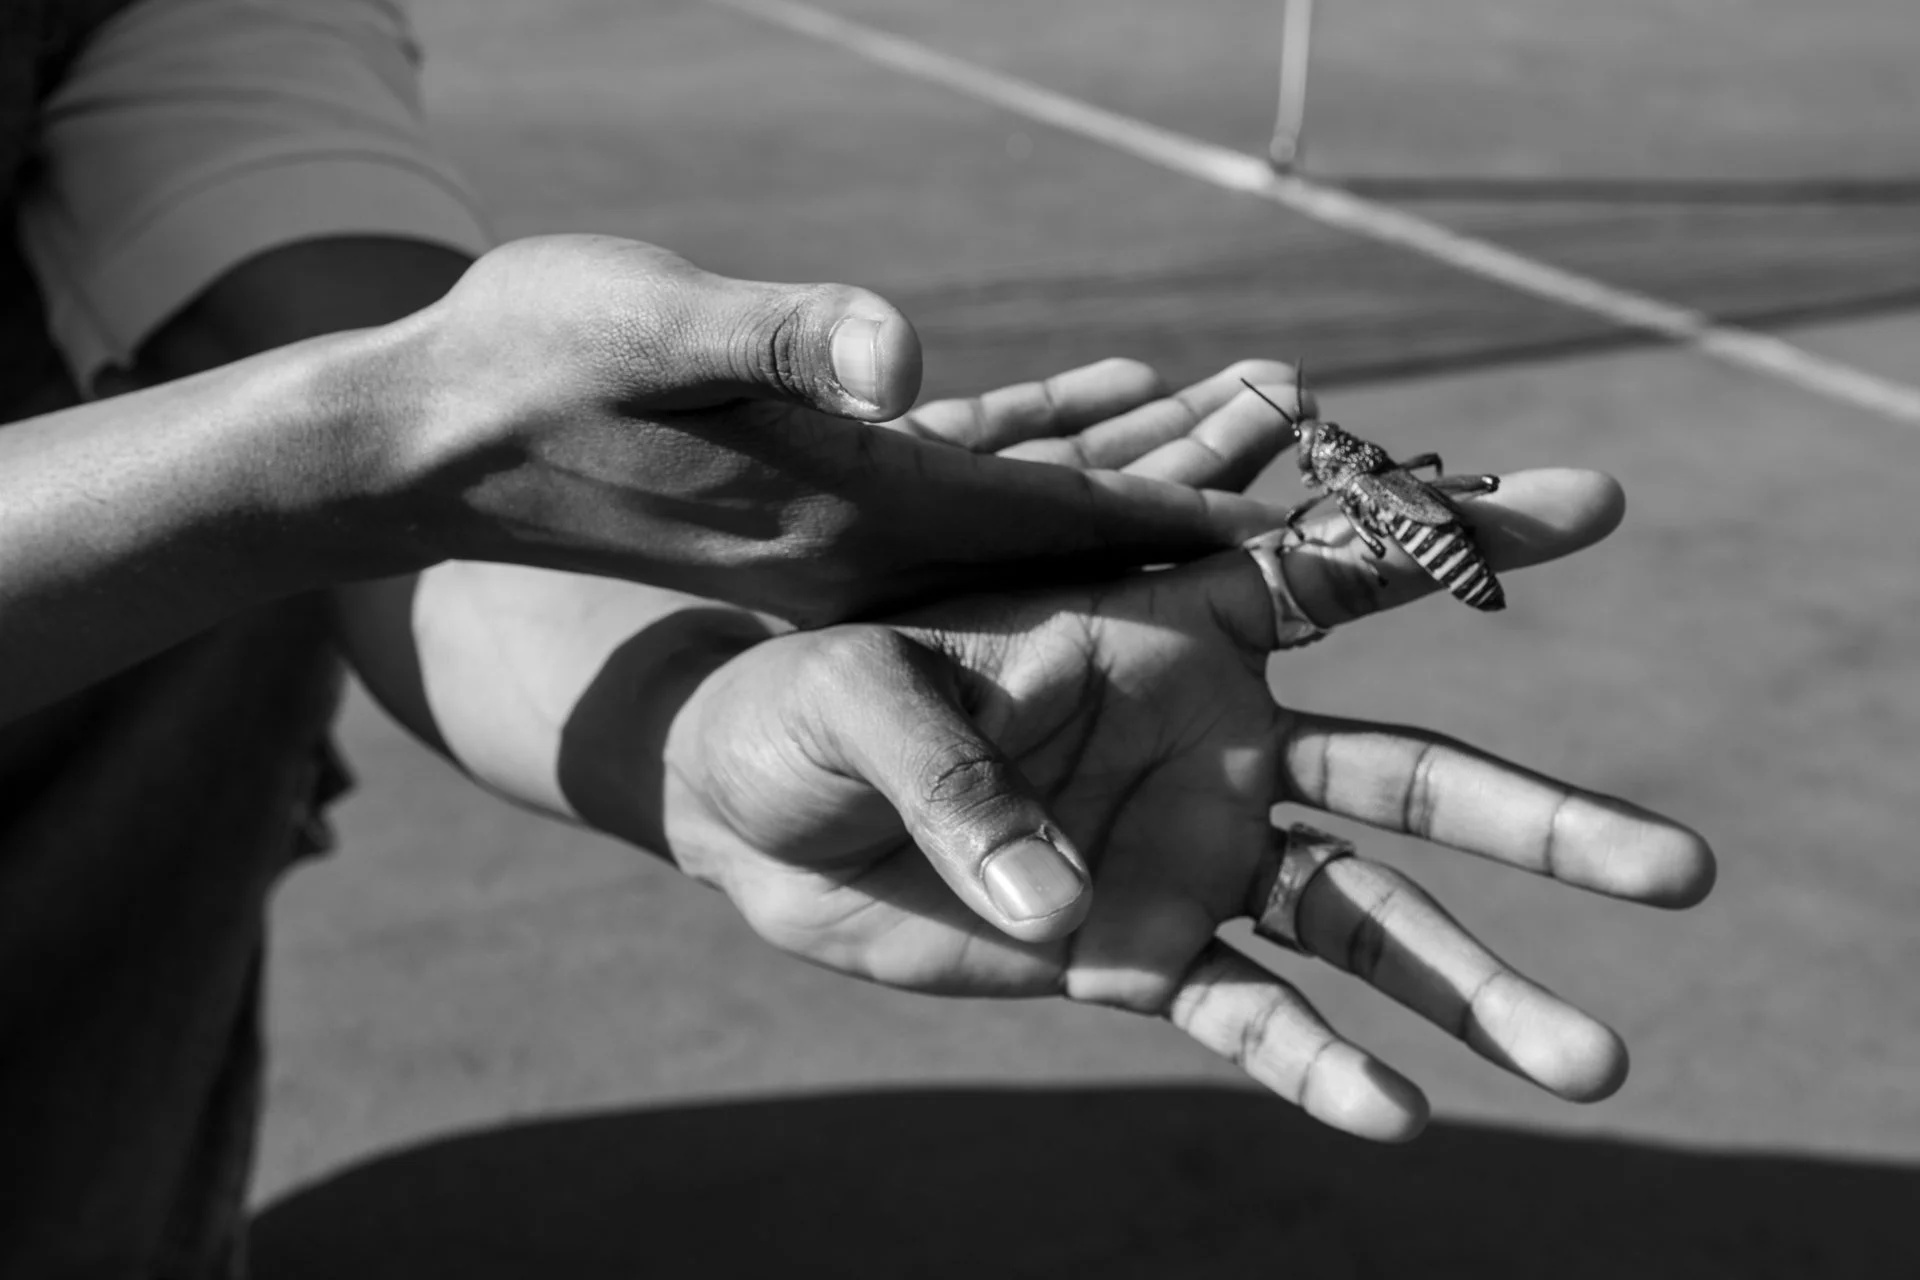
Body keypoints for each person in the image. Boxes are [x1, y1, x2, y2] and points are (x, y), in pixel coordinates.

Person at [0, 1, 1712, 1275]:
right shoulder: (371, 429)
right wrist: (374, 435)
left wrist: (711, 719)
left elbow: (405, 469)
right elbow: (390, 441)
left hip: (106, 1046)